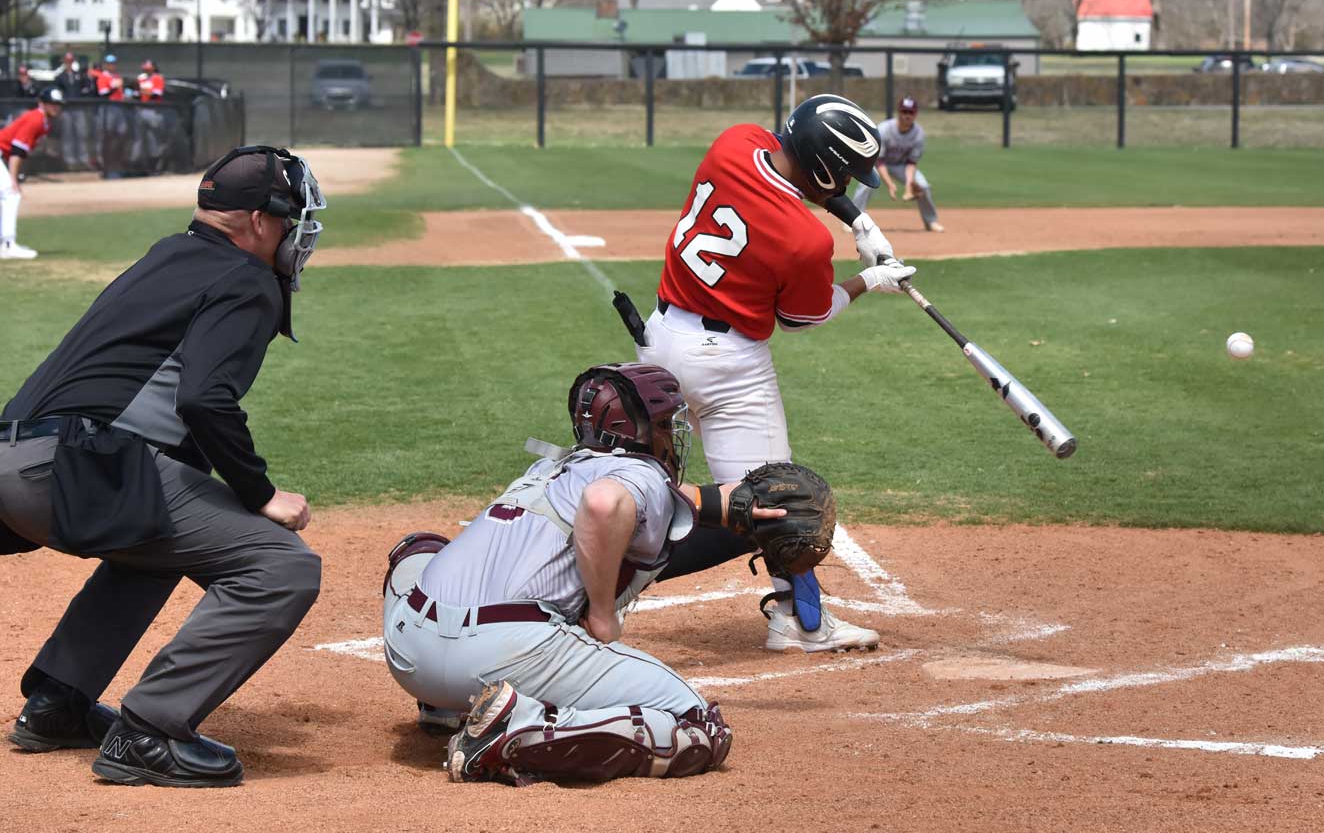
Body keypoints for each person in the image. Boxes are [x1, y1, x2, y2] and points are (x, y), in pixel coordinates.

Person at [0, 145, 328, 788]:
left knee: (159, 534)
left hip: (17, 456)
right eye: (292, 220)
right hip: (69, 470)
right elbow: (203, 398)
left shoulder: (167, 254)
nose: (297, 235)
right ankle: (149, 732)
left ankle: (59, 702)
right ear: (261, 221)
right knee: (283, 565)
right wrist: (260, 494)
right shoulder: (248, 278)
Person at [383, 363, 791, 784]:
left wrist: (728, 504)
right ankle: (518, 729)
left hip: (409, 653)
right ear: (642, 429)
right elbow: (602, 502)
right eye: (666, 423)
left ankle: (443, 710)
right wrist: (600, 614)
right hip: (502, 655)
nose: (672, 434)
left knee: (421, 550)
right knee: (700, 727)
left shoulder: (548, 469)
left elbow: (645, 494)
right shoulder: (641, 474)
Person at [635, 93, 911, 653]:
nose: (847, 187)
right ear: (826, 169)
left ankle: (582, 578)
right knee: (776, 499)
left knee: (639, 485)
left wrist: (859, 220)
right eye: (846, 177)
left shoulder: (735, 142)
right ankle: (802, 622)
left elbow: (788, 169)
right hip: (727, 367)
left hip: (659, 341)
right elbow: (803, 318)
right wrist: (869, 282)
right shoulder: (805, 240)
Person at [850, 95, 943, 232]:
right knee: (866, 184)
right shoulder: (884, 129)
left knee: (923, 185)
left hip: (902, 166)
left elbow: (911, 163)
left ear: (915, 114)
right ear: (899, 112)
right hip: (878, 164)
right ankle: (852, 220)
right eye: (904, 111)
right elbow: (879, 161)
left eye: (910, 112)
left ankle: (930, 221)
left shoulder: (918, 134)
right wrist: (890, 184)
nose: (907, 115)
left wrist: (908, 185)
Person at [0, 87, 67, 260]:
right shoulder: (36, 119)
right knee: (11, 193)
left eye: (58, 104)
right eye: (51, 103)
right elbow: (17, 150)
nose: (55, 107)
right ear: (41, 103)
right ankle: (7, 245)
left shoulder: (44, 122)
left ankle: (5, 243)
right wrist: (13, 179)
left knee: (7, 195)